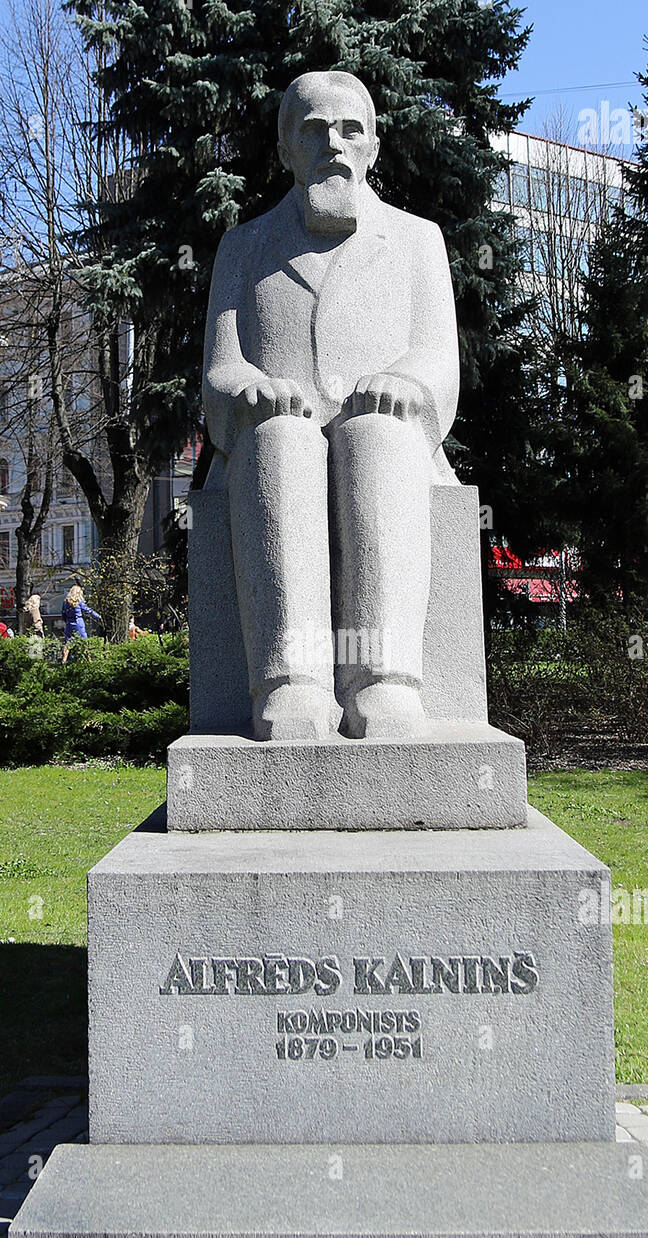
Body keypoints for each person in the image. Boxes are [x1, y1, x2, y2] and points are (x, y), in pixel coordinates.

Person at [202, 70, 460, 740]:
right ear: (287, 148)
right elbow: (221, 369)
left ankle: (385, 680)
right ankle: (295, 681)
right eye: (314, 131)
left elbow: (438, 360)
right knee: (284, 442)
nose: (334, 145)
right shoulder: (245, 245)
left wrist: (407, 385)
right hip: (276, 443)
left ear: (373, 146)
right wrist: (250, 393)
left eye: (351, 130)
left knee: (377, 435)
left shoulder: (416, 239)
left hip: (390, 441)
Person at [61, 585, 101, 664]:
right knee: (84, 641)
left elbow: (63, 614)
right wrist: (98, 616)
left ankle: (64, 660)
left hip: (69, 623)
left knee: (68, 643)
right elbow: (88, 610)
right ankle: (88, 660)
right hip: (78, 623)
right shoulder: (79, 602)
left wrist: (67, 621)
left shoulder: (65, 602)